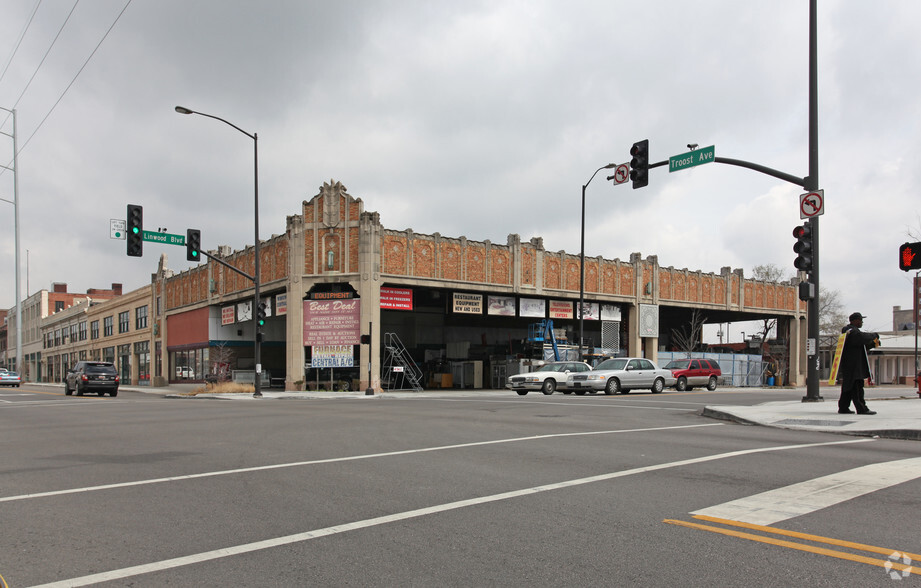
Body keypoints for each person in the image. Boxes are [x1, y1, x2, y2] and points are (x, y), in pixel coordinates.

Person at [838, 312, 880, 415]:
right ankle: (862, 408)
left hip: (853, 366)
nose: (862, 322)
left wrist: (873, 343)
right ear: (855, 321)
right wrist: (873, 335)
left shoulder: (853, 333)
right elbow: (861, 337)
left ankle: (843, 407)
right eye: (860, 320)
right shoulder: (850, 331)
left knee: (848, 388)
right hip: (853, 367)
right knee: (857, 388)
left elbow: (861, 346)